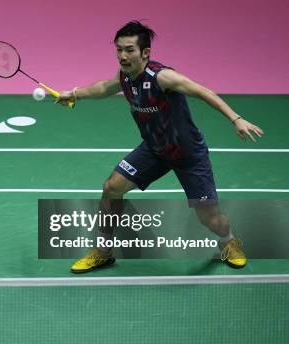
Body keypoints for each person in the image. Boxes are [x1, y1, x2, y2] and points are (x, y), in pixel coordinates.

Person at [56, 21, 264, 274]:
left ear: (145, 53)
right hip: (154, 150)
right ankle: (103, 251)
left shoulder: (162, 77)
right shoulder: (125, 76)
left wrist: (236, 118)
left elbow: (203, 91)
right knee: (111, 188)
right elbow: (103, 88)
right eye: (119, 49)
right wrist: (75, 94)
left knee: (209, 217)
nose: (123, 56)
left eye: (129, 50)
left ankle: (228, 241)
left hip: (188, 155)